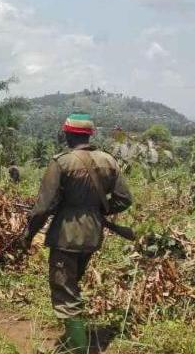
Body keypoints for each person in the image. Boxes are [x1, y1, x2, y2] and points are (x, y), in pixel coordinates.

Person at [19, 113, 132, 353]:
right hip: (92, 236)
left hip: (66, 236)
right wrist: (96, 209)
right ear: (90, 134)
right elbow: (124, 199)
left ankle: (79, 349)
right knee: (72, 284)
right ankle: (74, 338)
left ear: (67, 134)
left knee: (65, 290)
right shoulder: (109, 161)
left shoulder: (62, 162)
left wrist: (29, 234)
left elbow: (44, 207)